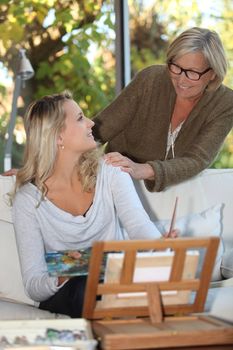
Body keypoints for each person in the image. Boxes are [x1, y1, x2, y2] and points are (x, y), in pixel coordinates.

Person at [11, 91, 176, 318]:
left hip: (114, 285)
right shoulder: (28, 201)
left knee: (139, 285)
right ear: (58, 137)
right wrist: (67, 272)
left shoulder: (111, 171)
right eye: (80, 118)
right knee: (85, 286)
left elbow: (138, 226)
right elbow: (33, 285)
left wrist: (162, 246)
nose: (91, 123)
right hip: (71, 296)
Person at [92, 27, 233, 192]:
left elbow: (197, 159)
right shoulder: (150, 80)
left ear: (214, 74)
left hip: (174, 192)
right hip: (118, 183)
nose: (181, 79)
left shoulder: (225, 103)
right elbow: (101, 128)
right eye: (176, 67)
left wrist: (143, 169)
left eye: (193, 73)